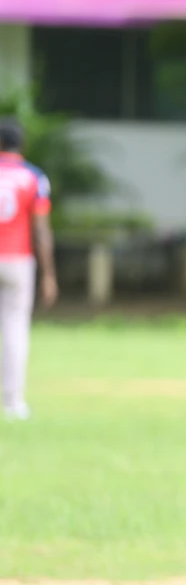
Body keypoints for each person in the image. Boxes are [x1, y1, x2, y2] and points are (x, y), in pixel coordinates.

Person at [0, 117, 56, 420]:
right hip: (18, 259)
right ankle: (12, 402)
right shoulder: (33, 177)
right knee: (14, 328)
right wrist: (49, 274)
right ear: (22, 144)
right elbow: (42, 231)